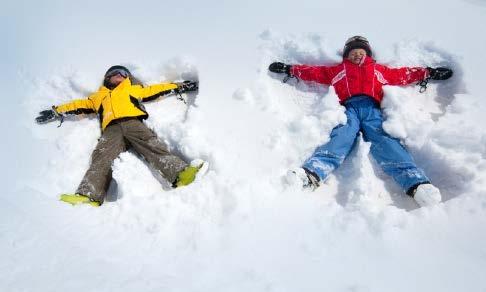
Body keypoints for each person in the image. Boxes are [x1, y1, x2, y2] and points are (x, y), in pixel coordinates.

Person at [268, 36, 453, 207]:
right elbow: (314, 72)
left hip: (372, 110)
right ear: (347, 56)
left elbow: (403, 74)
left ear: (368, 55)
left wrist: (429, 73)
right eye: (353, 53)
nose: (357, 55)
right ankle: (312, 173)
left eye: (361, 52)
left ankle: (416, 183)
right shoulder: (337, 70)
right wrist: (289, 69)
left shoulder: (378, 70)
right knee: (342, 136)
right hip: (349, 109)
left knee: (385, 141)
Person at [36, 65, 206, 206]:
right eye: (114, 74)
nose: (119, 75)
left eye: (123, 73)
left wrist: (181, 86)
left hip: (133, 123)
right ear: (107, 79)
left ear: (127, 78)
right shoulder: (98, 97)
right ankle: (88, 195)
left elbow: (158, 89)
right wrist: (56, 111)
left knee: (152, 145)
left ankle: (180, 174)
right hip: (112, 130)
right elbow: (78, 105)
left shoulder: (132, 90)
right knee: (101, 156)